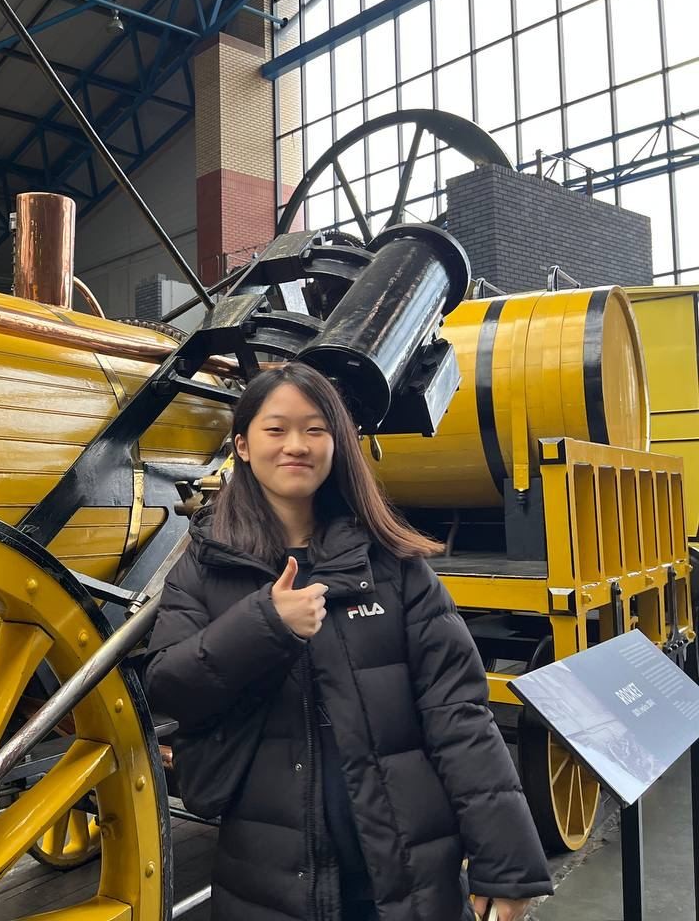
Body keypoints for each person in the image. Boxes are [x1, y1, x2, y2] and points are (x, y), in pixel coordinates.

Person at [145, 363, 553, 921]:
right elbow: (169, 687)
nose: (296, 445)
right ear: (242, 445)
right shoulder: (205, 565)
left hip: (404, 873)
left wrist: (506, 865)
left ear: (336, 444)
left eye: (315, 429)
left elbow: (458, 715)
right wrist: (265, 623)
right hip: (267, 878)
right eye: (275, 429)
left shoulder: (393, 566)